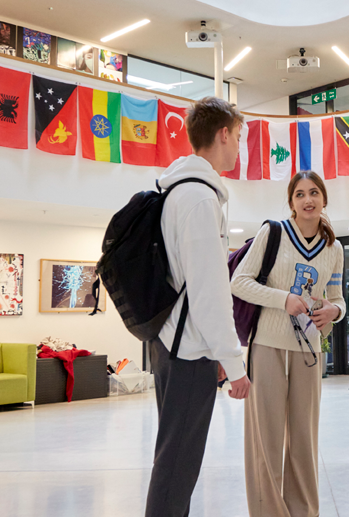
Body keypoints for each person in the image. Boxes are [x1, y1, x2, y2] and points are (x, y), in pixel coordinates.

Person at [145, 96, 253, 517]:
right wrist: (235, 363)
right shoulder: (200, 199)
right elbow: (211, 292)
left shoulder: (175, 190)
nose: (239, 148)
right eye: (239, 137)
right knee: (177, 465)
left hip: (169, 343)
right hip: (189, 351)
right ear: (223, 134)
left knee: (173, 457)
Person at [230, 171, 346, 517]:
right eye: (299, 194)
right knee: (266, 438)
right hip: (267, 345)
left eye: (314, 193)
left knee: (304, 438)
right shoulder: (273, 232)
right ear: (291, 201)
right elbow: (239, 281)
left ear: (324, 198)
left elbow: (337, 298)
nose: (307, 200)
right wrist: (283, 299)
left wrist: (334, 311)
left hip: (309, 350)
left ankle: (304, 510)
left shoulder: (334, 247)